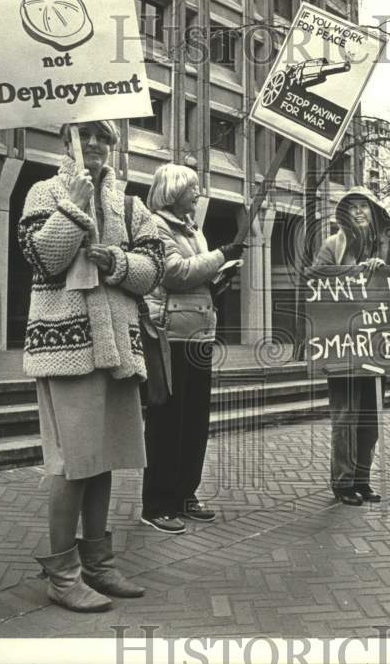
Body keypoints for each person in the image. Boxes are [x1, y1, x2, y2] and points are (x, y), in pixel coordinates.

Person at [18, 120, 164, 612]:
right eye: (85, 137)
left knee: (103, 461)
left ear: (114, 147)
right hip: (66, 348)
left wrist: (116, 262)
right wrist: (75, 207)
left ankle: (97, 564)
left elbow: (153, 270)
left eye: (104, 138)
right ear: (66, 143)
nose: (96, 146)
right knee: (73, 464)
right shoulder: (44, 192)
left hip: (118, 347)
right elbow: (43, 260)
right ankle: (62, 574)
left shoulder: (130, 203)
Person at [140, 163, 245, 533]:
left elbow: (197, 277)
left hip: (198, 335)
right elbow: (174, 272)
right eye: (192, 188)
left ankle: (185, 493)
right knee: (167, 423)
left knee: (194, 422)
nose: (198, 193)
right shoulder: (155, 225)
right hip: (170, 335)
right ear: (172, 190)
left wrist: (221, 273)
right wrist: (218, 256)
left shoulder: (192, 230)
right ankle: (157, 503)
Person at [312, 187, 390, 505]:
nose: (359, 212)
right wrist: (353, 271)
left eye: (365, 207)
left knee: (370, 415)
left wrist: (384, 268)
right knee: (345, 415)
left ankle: (363, 478)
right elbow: (316, 278)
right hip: (343, 343)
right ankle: (343, 482)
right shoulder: (332, 245)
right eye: (353, 207)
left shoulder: (386, 246)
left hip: (376, 343)